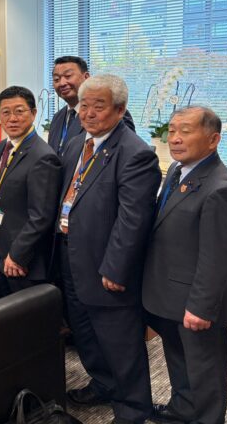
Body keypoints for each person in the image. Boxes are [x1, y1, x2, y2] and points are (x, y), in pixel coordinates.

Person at [56, 74, 160, 424]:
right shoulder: (76, 145)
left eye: (98, 106)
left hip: (106, 265)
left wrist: (115, 268)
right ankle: (103, 383)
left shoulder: (135, 153)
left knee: (121, 342)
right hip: (71, 255)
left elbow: (133, 220)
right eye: (83, 105)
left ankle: (133, 410)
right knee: (86, 333)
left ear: (119, 109)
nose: (88, 113)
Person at [143, 107, 227, 424]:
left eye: (185, 131)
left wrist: (201, 307)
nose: (175, 138)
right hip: (171, 296)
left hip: (196, 304)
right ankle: (182, 410)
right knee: (179, 362)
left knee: (206, 373)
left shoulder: (220, 189)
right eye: (172, 130)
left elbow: (219, 259)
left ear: (213, 140)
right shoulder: (178, 170)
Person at [0, 86, 61, 295]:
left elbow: (41, 217)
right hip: (0, 246)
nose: (12, 118)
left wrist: (17, 254)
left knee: (26, 314)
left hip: (23, 259)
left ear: (34, 113)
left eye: (19, 111)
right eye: (5, 112)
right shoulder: (3, 147)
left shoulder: (43, 156)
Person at [48, 56, 135, 156]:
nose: (62, 83)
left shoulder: (113, 113)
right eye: (56, 79)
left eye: (68, 76)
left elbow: (124, 152)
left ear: (86, 77)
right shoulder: (57, 117)